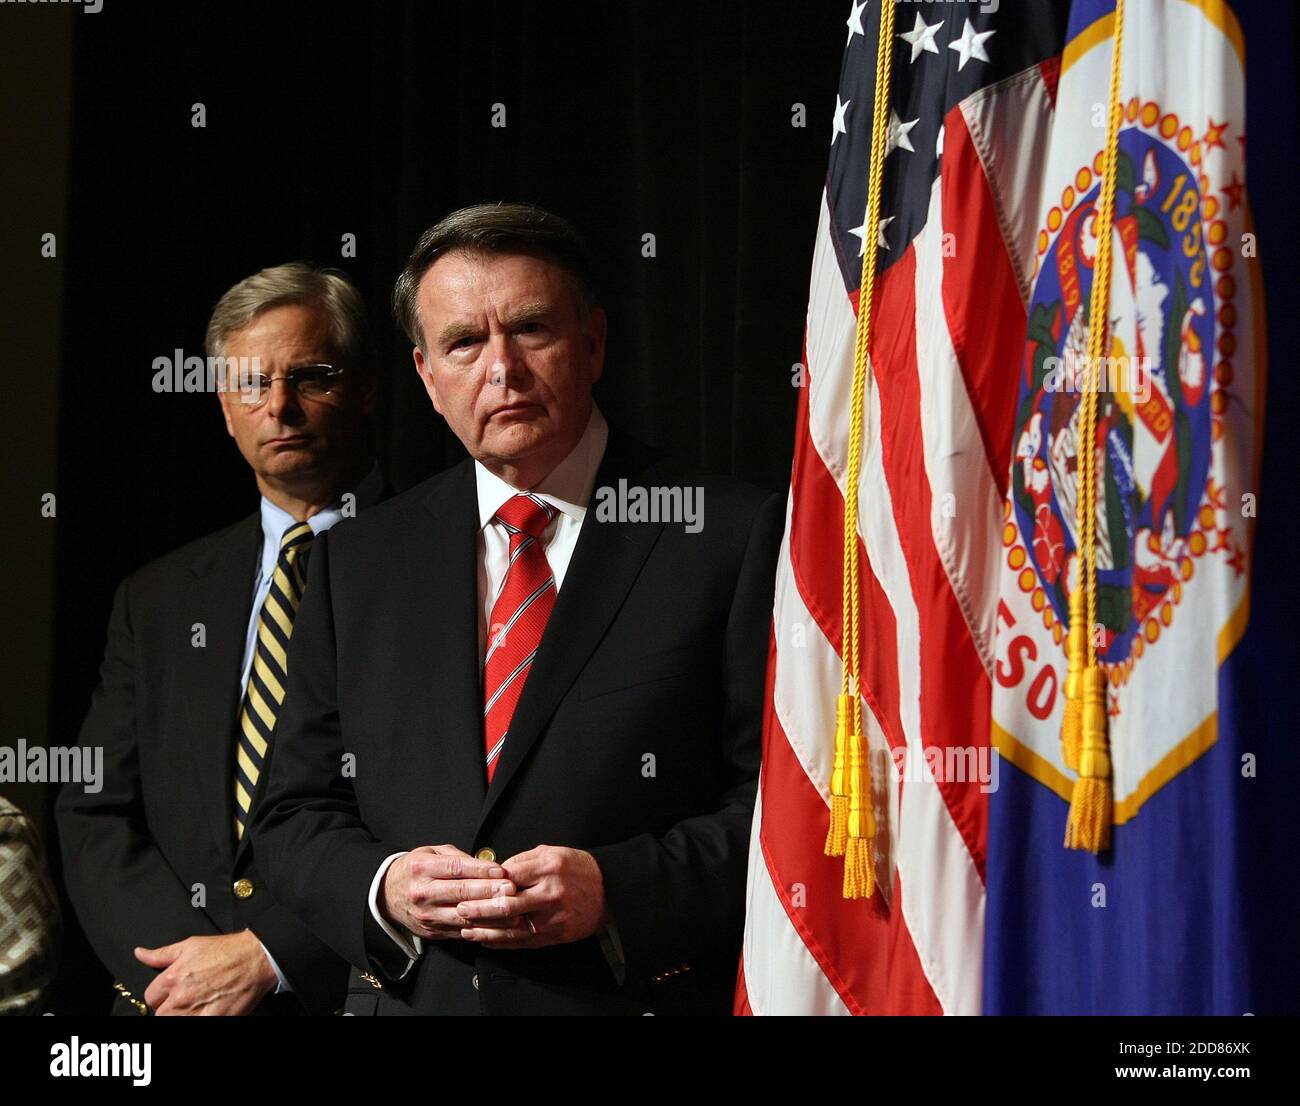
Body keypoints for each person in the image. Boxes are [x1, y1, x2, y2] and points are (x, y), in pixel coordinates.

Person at [252, 204, 783, 1015]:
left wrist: (618, 889)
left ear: (595, 343)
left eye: (531, 329)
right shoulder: (356, 560)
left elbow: (784, 802)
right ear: (427, 377)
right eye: (464, 342)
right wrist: (384, 885)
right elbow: (292, 811)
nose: (501, 369)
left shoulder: (729, 535)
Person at [55, 263, 387, 1015]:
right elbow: (95, 808)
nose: (280, 407)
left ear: (367, 387)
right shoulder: (160, 597)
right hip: (168, 1000)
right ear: (223, 407)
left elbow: (438, 806)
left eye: (311, 376)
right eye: (251, 383)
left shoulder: (441, 558)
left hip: (353, 991)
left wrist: (270, 954)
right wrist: (179, 973)